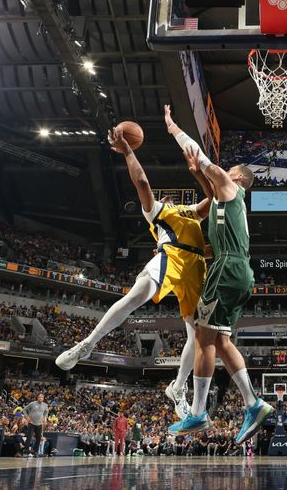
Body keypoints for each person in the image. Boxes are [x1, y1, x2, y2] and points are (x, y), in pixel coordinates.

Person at [56, 126, 214, 420]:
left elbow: (214, 197)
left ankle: (178, 387)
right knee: (137, 295)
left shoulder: (192, 212)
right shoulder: (156, 212)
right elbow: (141, 181)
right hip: (172, 256)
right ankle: (87, 344)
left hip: (196, 269)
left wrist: (199, 173)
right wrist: (128, 151)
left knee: (197, 333)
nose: (168, 198)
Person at [164, 104, 274, 445]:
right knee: (222, 340)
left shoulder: (231, 186)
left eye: (227, 170)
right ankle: (253, 403)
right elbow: (209, 195)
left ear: (238, 177)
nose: (221, 171)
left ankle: (197, 412)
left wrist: (173, 128)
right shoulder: (226, 201)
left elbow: (201, 154)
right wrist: (197, 173)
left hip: (226, 269)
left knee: (202, 337)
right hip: (240, 271)